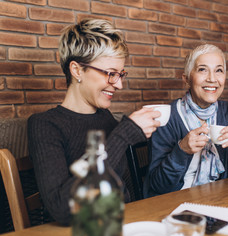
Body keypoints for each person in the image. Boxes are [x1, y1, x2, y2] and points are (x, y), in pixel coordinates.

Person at [27, 19, 161, 225]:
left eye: (121, 74)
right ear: (77, 70)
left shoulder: (105, 118)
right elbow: (62, 209)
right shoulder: (45, 125)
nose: (119, 85)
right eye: (110, 74)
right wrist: (124, 134)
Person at [144, 44, 228, 198]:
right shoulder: (167, 116)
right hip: (175, 201)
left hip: (219, 196)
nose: (212, 79)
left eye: (218, 70)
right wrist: (182, 150)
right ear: (186, 79)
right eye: (202, 69)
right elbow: (159, 185)